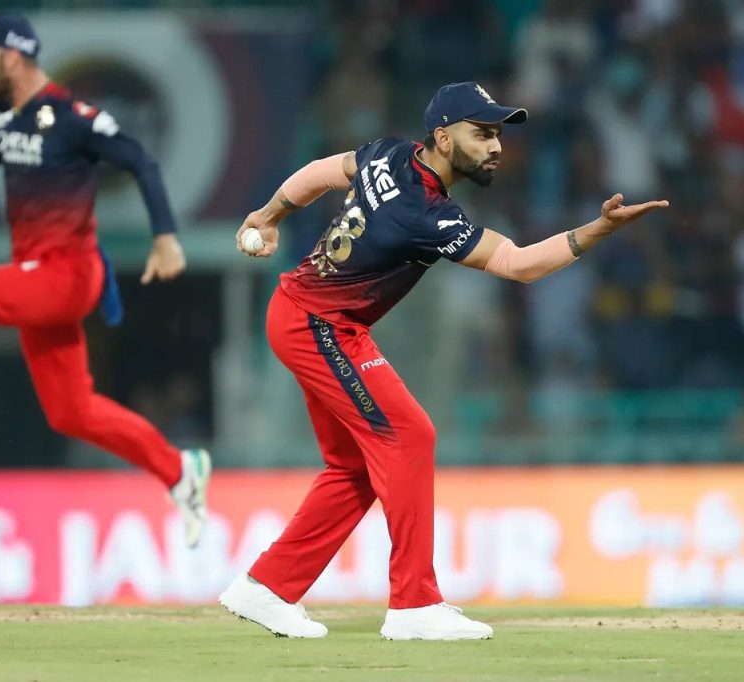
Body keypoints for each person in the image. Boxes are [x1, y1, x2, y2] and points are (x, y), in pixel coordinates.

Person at [218, 82, 668, 638]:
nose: (495, 146)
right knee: (409, 437)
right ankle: (414, 605)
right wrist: (597, 230)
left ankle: (266, 588)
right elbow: (519, 265)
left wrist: (269, 215)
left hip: (306, 316)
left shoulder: (387, 153)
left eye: (497, 134)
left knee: (355, 468)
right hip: (319, 326)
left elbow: (318, 172)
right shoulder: (426, 214)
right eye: (482, 134)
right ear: (444, 137)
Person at [0, 13, 211, 547]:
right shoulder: (1, 120)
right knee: (72, 412)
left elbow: (140, 161)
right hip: (38, 279)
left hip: (69, 273)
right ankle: (179, 470)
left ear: (12, 57)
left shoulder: (71, 117)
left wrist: (165, 237)